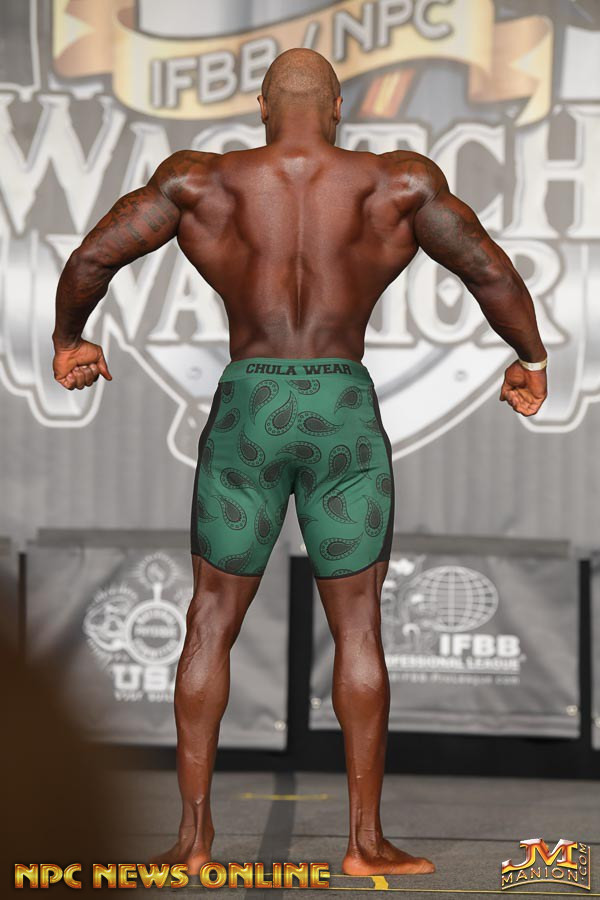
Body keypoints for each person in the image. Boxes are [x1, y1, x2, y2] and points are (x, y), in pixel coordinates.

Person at [52, 48, 548, 877]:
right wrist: (528, 356)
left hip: (248, 408)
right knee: (358, 627)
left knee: (210, 619)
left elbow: (92, 259)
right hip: (339, 411)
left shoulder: (199, 182)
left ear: (260, 104)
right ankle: (364, 844)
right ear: (339, 106)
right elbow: (487, 267)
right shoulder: (398, 183)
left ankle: (193, 842)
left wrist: (71, 337)